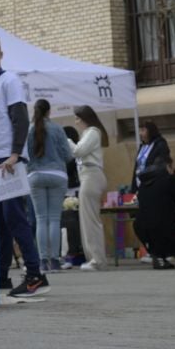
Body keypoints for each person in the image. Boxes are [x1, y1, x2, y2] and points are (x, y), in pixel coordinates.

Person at [0, 34, 48, 297]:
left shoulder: (10, 81)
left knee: (16, 218)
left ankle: (34, 274)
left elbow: (19, 117)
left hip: (9, 158)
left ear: (1, 54)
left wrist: (16, 153)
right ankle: (0, 275)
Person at [22, 99, 74, 279]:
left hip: (35, 175)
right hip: (57, 174)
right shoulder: (58, 128)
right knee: (54, 219)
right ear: (49, 112)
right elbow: (68, 155)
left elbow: (24, 157)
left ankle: (43, 261)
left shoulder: (28, 130)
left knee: (40, 218)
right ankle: (54, 260)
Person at [70, 105, 110, 270]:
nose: (76, 121)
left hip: (91, 175)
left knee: (91, 220)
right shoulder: (88, 133)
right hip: (87, 175)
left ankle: (97, 259)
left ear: (85, 118)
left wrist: (67, 141)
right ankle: (93, 258)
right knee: (87, 219)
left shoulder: (93, 132)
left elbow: (78, 151)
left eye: (78, 118)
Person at [133, 119, 171, 188]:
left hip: (153, 185)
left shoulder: (160, 145)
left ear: (150, 131)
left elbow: (162, 166)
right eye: (140, 130)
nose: (140, 134)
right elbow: (137, 166)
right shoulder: (142, 146)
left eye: (143, 130)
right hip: (140, 185)